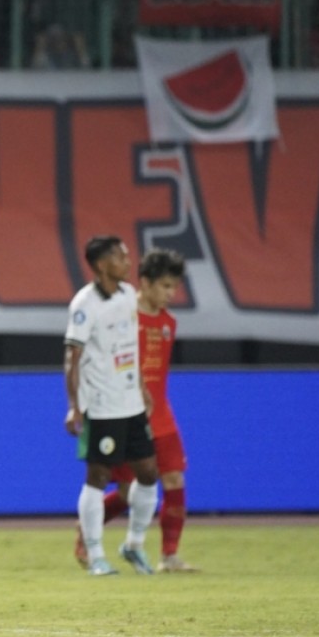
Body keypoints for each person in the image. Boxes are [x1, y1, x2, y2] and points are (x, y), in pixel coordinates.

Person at [74, 249, 198, 572]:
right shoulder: (123, 316)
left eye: (174, 287)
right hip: (125, 411)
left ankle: (169, 556)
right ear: (145, 282)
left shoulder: (168, 322)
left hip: (161, 413)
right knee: (128, 489)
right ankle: (88, 531)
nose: (171, 294)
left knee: (174, 478)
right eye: (165, 286)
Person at [64, 235, 160, 577]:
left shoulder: (127, 295)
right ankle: (95, 555)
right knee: (98, 477)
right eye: (121, 257)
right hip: (102, 405)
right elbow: (72, 358)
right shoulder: (84, 304)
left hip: (131, 402)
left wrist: (142, 387)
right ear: (102, 265)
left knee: (148, 472)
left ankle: (134, 545)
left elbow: (130, 346)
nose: (128, 262)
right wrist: (74, 406)